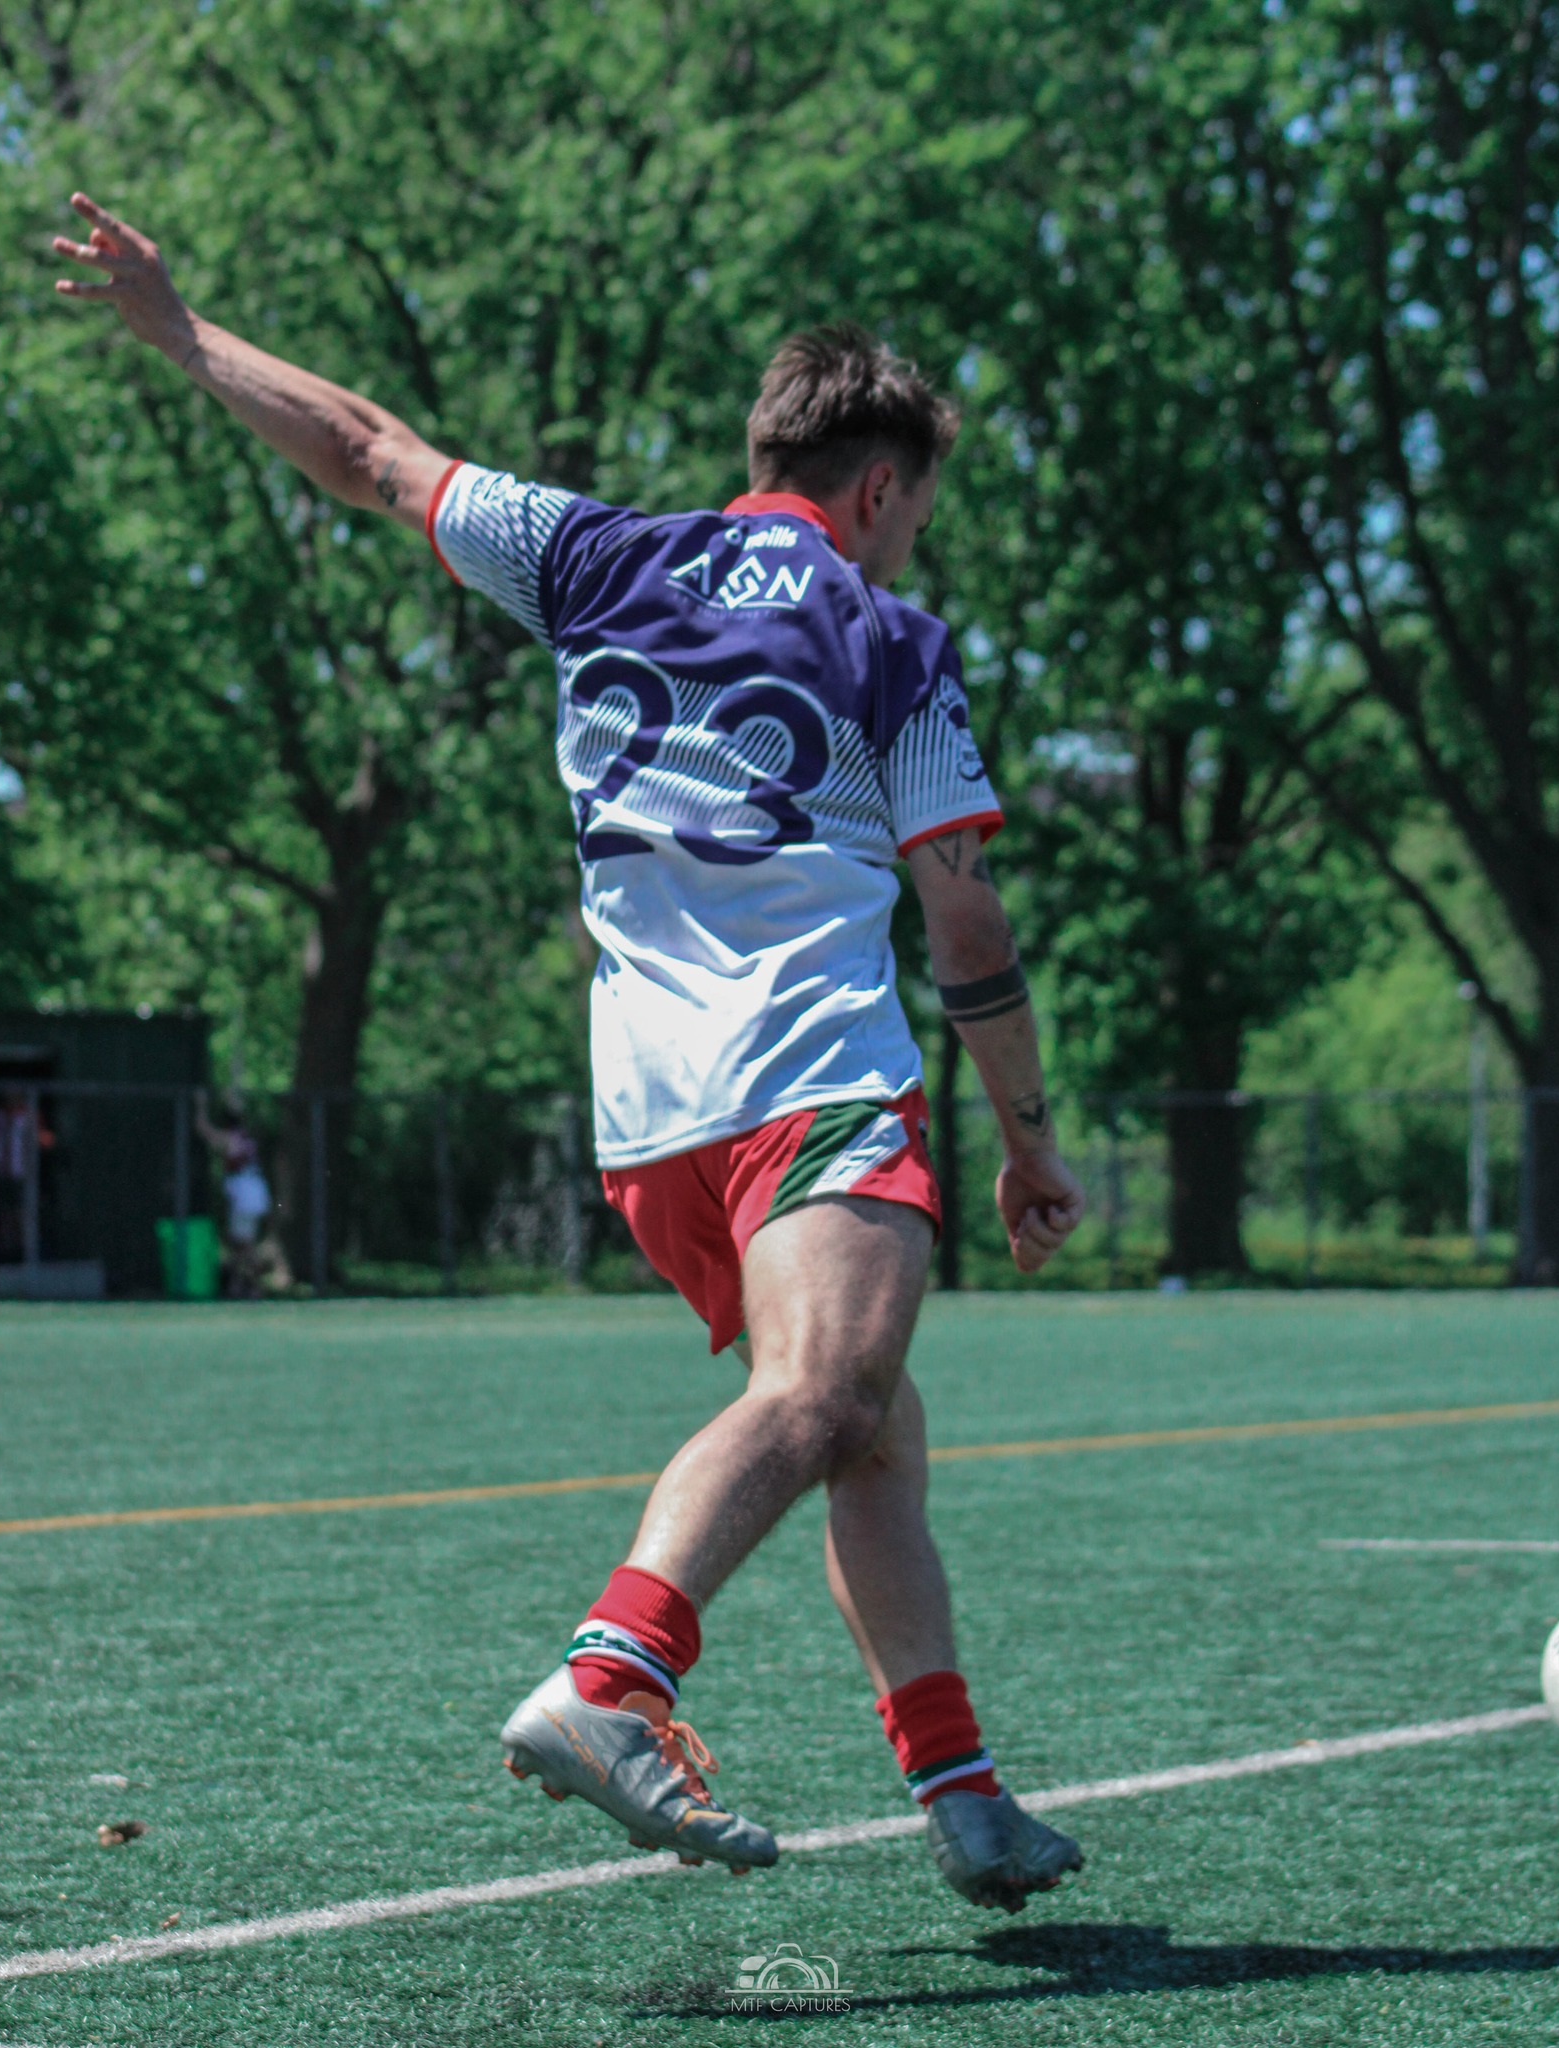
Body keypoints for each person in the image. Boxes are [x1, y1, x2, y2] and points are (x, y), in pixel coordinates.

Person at [55, 193, 1089, 1912]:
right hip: (816, 1074)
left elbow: (372, 452)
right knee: (821, 1392)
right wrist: (1031, 1141)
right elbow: (964, 926)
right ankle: (613, 1681)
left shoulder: (594, 553)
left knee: (869, 1422)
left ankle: (959, 1783)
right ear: (880, 485)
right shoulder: (889, 637)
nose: (911, 536)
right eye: (917, 505)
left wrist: (178, 332)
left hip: (647, 1118)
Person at [194, 1092, 273, 1298]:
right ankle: (237, 1286)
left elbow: (203, 1130)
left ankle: (254, 1286)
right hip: (254, 1191)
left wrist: (200, 1106)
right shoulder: (245, 1135)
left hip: (245, 1194)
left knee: (244, 1243)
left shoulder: (230, 1137)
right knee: (239, 1242)